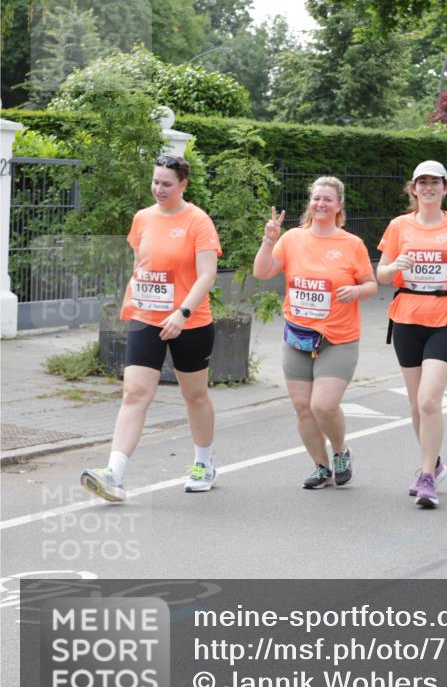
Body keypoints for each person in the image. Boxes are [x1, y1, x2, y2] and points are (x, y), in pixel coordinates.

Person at [81, 154, 221, 503]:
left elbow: (207, 274)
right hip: (146, 318)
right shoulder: (142, 218)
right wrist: (136, 300)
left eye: (167, 184)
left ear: (183, 185)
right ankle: (113, 474)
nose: (159, 189)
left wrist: (183, 312)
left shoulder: (198, 221)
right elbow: (140, 263)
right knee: (134, 393)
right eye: (155, 182)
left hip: (190, 321)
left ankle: (204, 462)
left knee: (194, 395)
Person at [253, 176, 377, 490]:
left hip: (338, 338)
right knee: (302, 406)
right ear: (310, 202)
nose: (320, 204)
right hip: (298, 335)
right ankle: (321, 467)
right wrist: (269, 240)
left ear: (338, 206)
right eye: (316, 198)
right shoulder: (293, 238)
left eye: (327, 200)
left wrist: (356, 290)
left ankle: (340, 452)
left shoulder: (351, 244)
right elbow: (262, 272)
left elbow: (372, 284)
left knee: (323, 405)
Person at [376, 160, 447, 509]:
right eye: (422, 183)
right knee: (415, 404)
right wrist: (394, 267)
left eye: (435, 182)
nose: (428, 188)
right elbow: (382, 274)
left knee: (428, 400)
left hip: (446, 319)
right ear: (413, 189)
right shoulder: (398, 226)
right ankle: (433, 462)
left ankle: (425, 478)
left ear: (445, 187)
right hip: (406, 319)